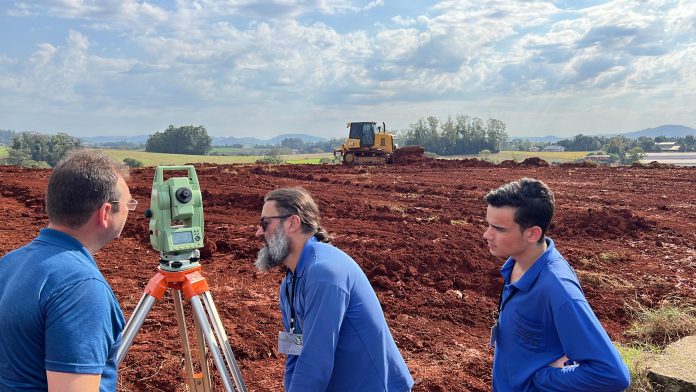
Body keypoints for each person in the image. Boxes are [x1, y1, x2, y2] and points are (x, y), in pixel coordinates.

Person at [254, 187, 414, 392]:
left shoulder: (324, 274)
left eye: (264, 223)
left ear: (292, 223)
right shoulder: (290, 283)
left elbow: (315, 360)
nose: (259, 232)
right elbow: (295, 349)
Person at [0, 150, 135, 391]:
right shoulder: (82, 289)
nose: (130, 210)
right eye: (128, 204)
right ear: (105, 213)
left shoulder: (10, 263)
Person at [484, 178, 630, 391]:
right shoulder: (516, 264)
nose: (487, 235)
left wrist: (540, 379)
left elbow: (611, 374)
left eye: (498, 228)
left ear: (533, 233)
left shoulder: (558, 289)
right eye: (488, 224)